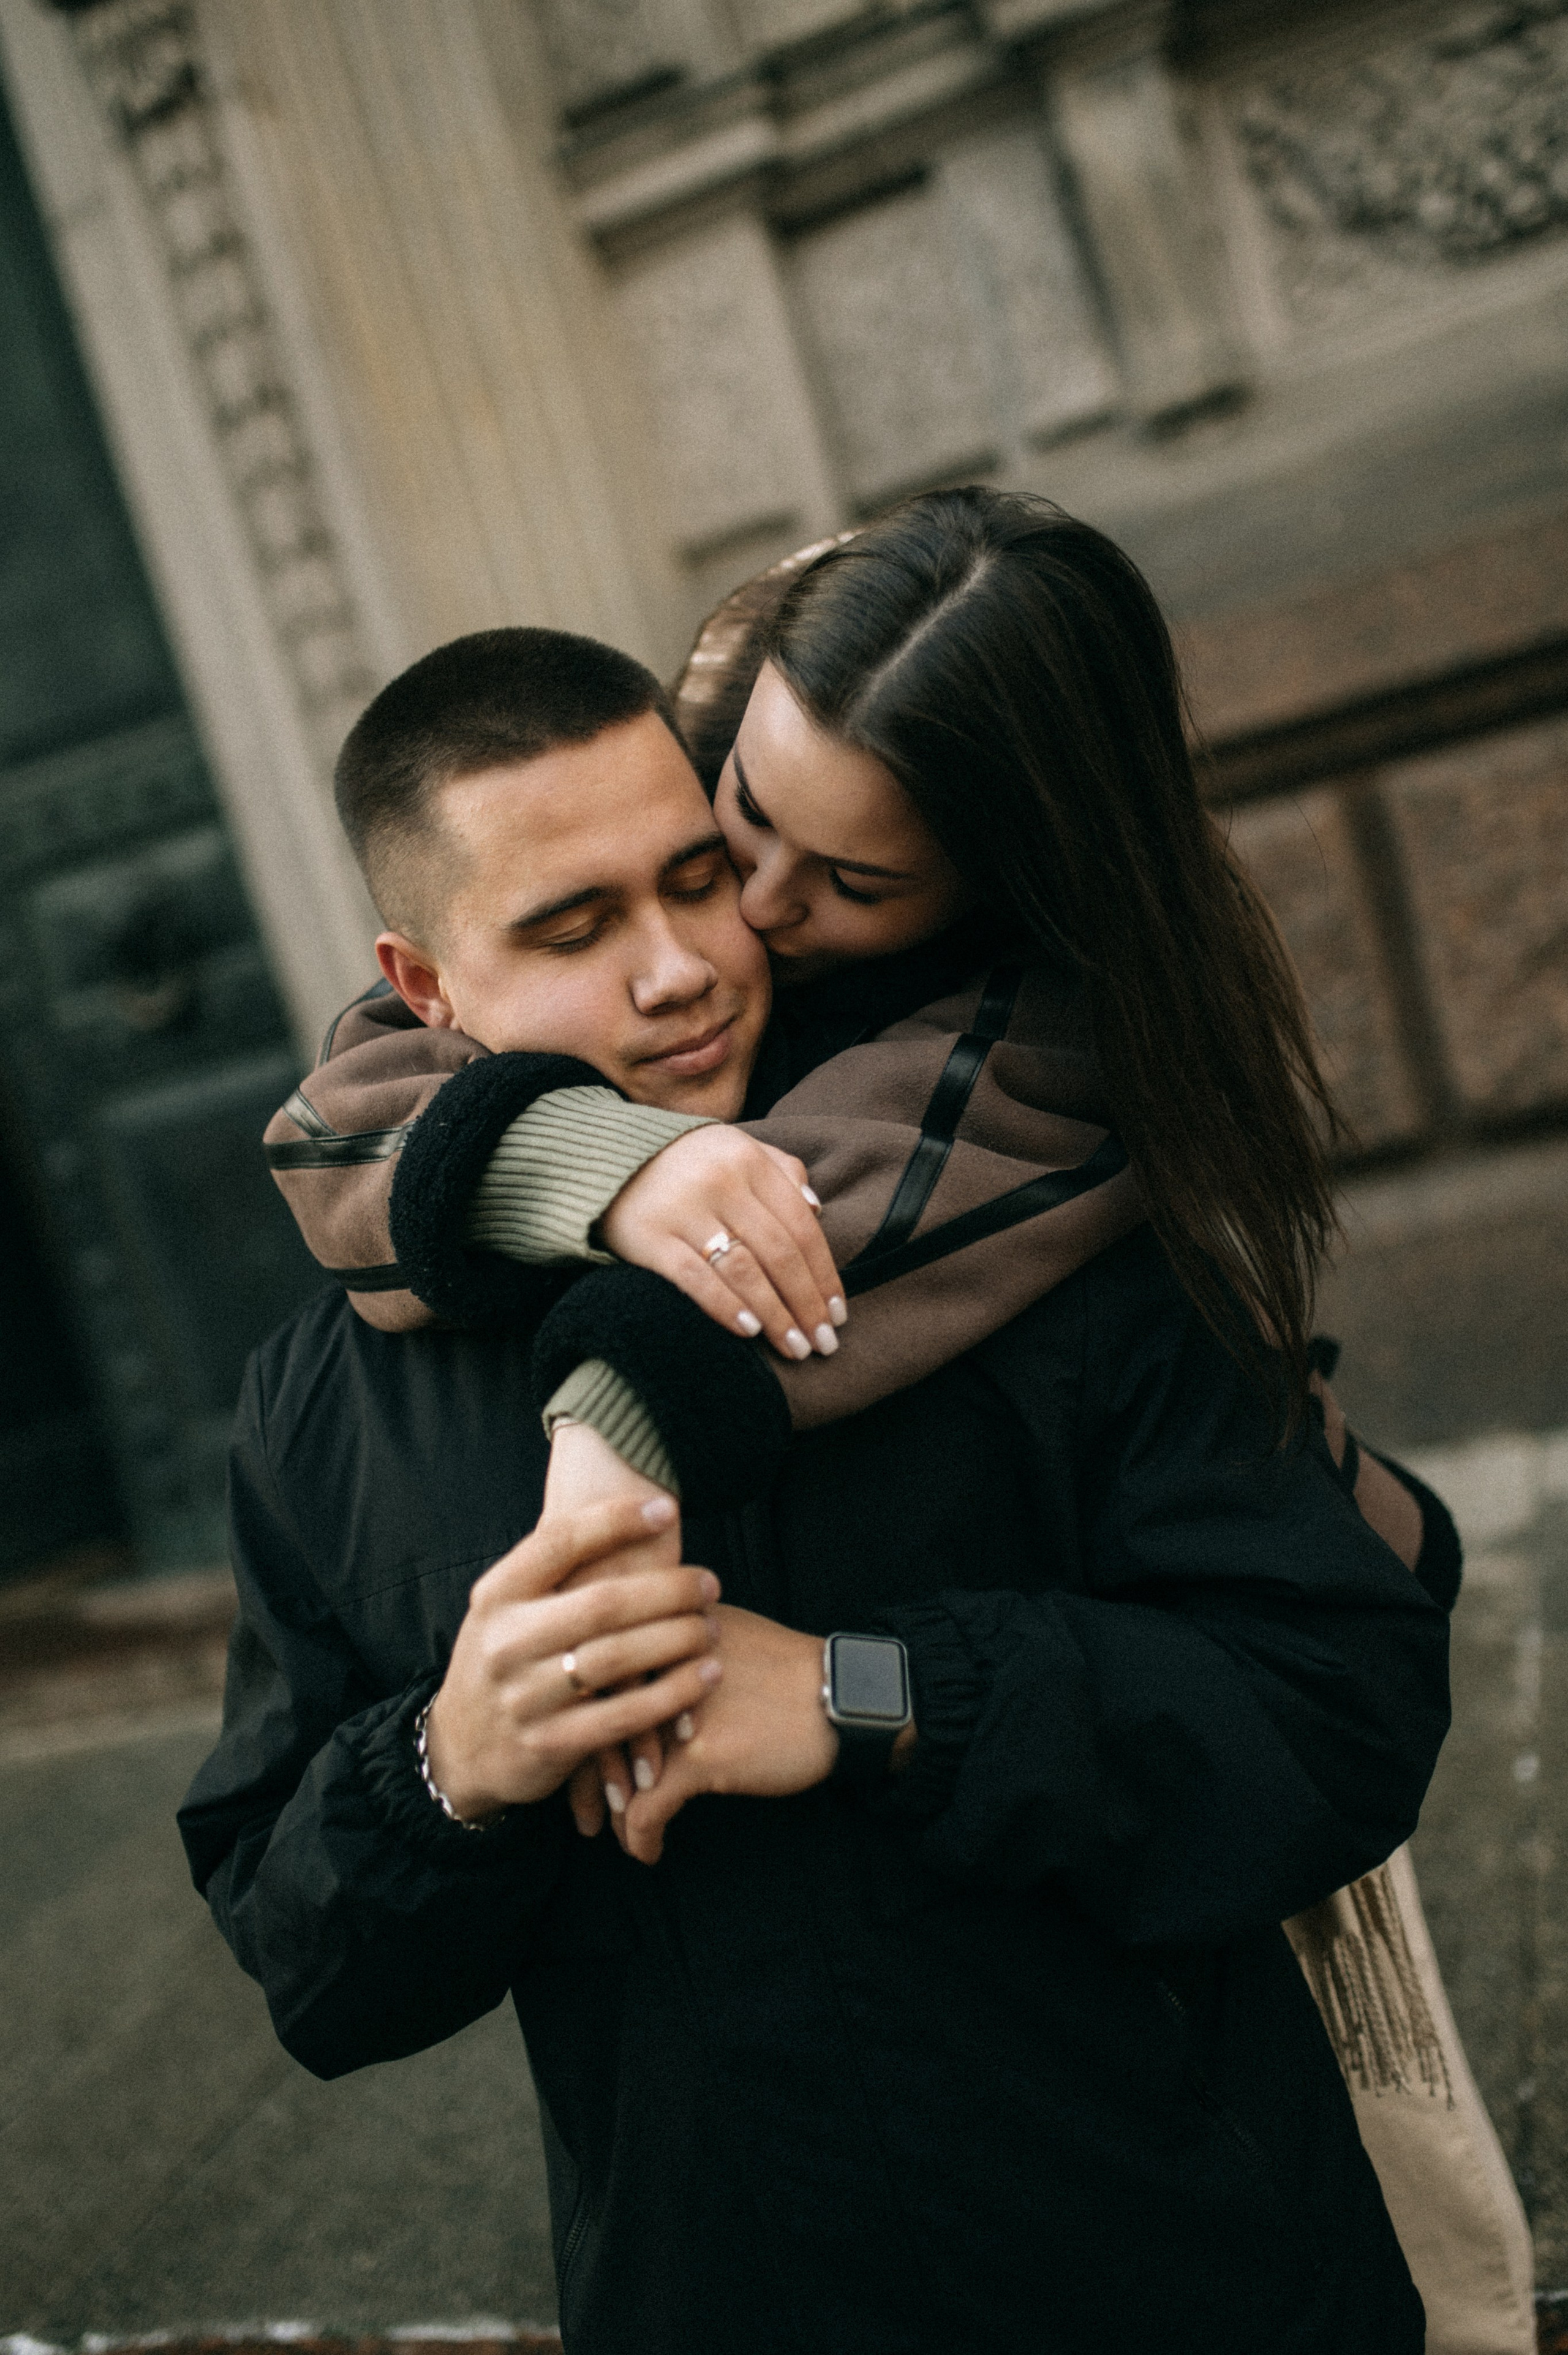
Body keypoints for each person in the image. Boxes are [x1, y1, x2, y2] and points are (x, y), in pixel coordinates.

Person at [184, 527, 1455, 2352]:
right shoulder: (327, 1399)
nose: (690, 963)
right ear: (423, 985)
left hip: (1181, 2264)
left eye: (702, 878)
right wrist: (457, 1762)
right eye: (573, 925)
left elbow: (1343, 1703)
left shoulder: (1019, 1222)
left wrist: (873, 1694)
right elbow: (309, 1960)